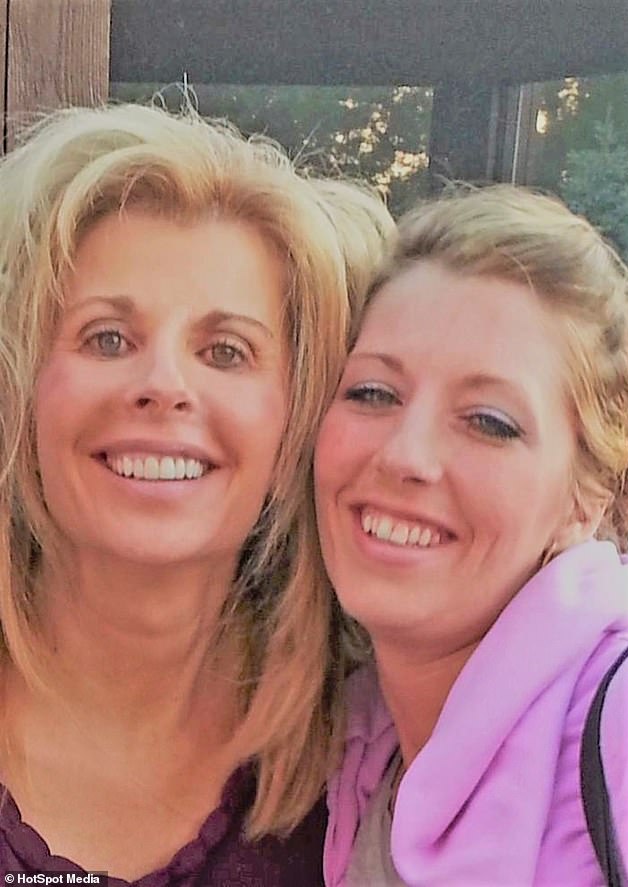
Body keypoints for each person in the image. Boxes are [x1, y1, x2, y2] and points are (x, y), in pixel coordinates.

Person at [0, 102, 393, 884]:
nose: (164, 384)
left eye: (226, 351)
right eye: (107, 338)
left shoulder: (376, 748)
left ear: (298, 417)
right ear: (22, 388)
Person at [314, 185, 628, 886]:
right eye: (373, 392)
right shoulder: (359, 751)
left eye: (489, 421)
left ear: (588, 497)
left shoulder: (622, 727)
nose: (405, 455)